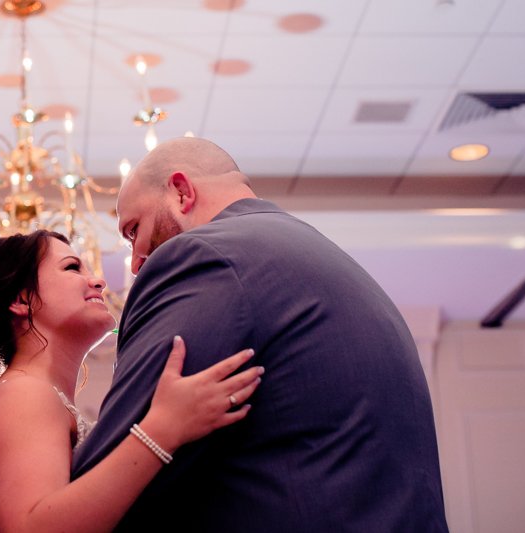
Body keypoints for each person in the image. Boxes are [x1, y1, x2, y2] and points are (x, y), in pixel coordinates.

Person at [71, 137, 449, 532]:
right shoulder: (324, 258)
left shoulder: (202, 256)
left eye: (134, 230)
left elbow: (108, 486)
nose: (134, 264)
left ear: (181, 192)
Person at [0, 229, 263, 533]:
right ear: (22, 300)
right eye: (72, 268)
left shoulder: (36, 395)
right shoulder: (23, 396)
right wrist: (165, 427)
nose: (99, 281)